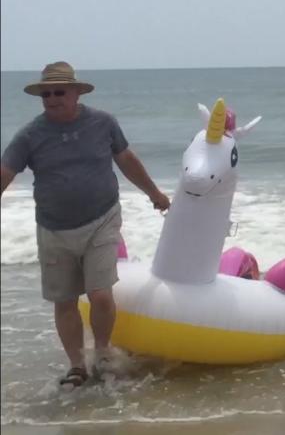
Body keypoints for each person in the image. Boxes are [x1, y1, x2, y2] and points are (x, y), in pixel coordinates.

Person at [0, 62, 170, 389]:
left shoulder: (103, 123)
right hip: (53, 228)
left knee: (100, 295)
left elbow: (126, 160)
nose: (52, 98)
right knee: (64, 301)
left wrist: (155, 194)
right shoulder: (29, 135)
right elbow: (4, 174)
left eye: (59, 91)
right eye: (46, 93)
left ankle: (103, 352)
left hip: (101, 220)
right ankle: (77, 365)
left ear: (77, 92)